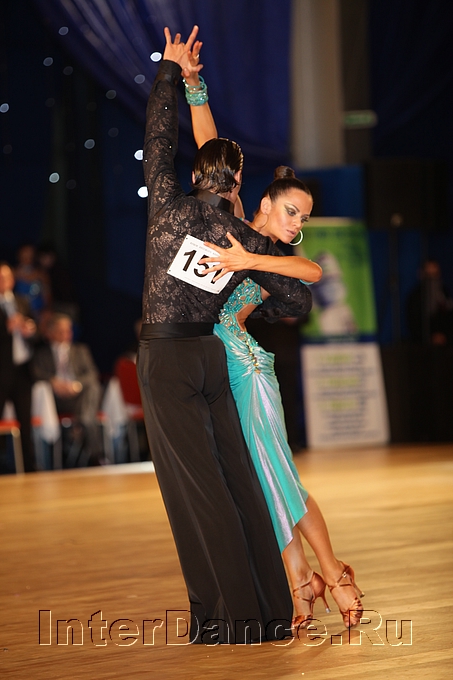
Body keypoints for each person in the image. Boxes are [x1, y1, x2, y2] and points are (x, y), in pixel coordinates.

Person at [137, 26, 314, 645]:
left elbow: (159, 142)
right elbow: (298, 298)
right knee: (239, 480)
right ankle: (270, 613)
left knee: (199, 490)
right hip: (214, 357)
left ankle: (229, 619)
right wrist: (252, 262)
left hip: (168, 357)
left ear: (200, 174)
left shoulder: (168, 207)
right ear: (238, 185)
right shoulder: (240, 234)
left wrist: (169, 74)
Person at [184, 57, 364, 630]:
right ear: (263, 202)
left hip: (247, 368)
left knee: (276, 470)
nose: (296, 224)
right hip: (219, 367)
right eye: (290, 211)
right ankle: (301, 579)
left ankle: (331, 572)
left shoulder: (279, 258)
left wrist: (250, 260)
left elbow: (313, 272)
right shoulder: (235, 218)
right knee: (263, 477)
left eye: (303, 218)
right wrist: (194, 86)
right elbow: (212, 152)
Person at [32, 313, 102, 466]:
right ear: (50, 333)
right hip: (55, 401)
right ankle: (86, 436)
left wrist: (76, 385)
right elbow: (35, 374)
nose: (66, 334)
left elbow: (92, 374)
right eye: (61, 330)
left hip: (79, 398)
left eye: (68, 330)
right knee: (88, 405)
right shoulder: (41, 353)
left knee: (93, 387)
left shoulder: (80, 350)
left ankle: (84, 422)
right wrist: (53, 382)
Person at [0, 261, 37, 472]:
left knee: (25, 421)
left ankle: (30, 467)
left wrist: (30, 329)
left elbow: (37, 334)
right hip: (2, 371)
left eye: (6, 277)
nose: (3, 281)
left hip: (23, 370)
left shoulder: (22, 302)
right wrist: (6, 328)